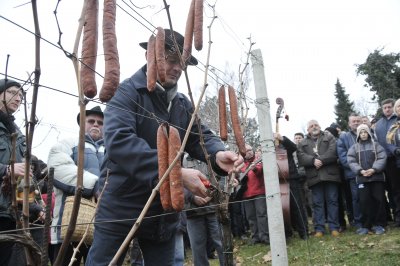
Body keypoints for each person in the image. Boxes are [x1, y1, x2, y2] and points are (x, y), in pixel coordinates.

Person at [85, 29, 243, 266]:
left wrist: (217, 153)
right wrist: (175, 173)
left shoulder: (181, 103)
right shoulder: (127, 93)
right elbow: (120, 142)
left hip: (164, 209)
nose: (178, 68)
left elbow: (199, 135)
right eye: (171, 60)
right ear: (152, 56)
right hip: (121, 204)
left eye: (183, 63)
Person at [48, 106, 105, 265]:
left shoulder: (111, 150)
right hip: (68, 225)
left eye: (100, 122)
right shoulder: (67, 143)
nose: (95, 125)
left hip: (102, 225)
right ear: (82, 124)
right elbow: (59, 169)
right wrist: (96, 185)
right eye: (91, 121)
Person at [0, 78, 32, 266]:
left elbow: (23, 174)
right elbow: (12, 169)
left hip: (11, 212)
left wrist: (31, 205)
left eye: (21, 95)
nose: (18, 98)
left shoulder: (18, 134)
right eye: (12, 92)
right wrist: (5, 169)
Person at [297, 120, 341, 237]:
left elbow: (333, 151)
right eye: (311, 126)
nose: (314, 127)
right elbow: (301, 156)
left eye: (316, 125)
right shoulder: (303, 142)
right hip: (314, 177)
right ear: (308, 130)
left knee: (332, 201)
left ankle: (334, 227)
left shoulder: (329, 137)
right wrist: (312, 161)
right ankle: (319, 229)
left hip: (330, 175)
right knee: (317, 203)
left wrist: (321, 160)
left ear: (320, 126)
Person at [183, 154, 224, 266]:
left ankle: (227, 263)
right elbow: (178, 182)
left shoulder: (210, 156)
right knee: (197, 245)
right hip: (192, 211)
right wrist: (192, 197)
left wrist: (210, 195)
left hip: (213, 208)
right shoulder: (182, 158)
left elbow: (221, 179)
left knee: (221, 242)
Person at [347, 124, 387, 235]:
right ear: (358, 134)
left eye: (365, 132)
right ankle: (366, 225)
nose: (363, 134)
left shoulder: (376, 145)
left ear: (368, 133)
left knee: (378, 200)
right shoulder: (354, 148)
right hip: (362, 179)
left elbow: (382, 158)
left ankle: (379, 225)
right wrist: (360, 171)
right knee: (364, 202)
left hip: (376, 177)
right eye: (361, 132)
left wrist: (374, 169)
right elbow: (351, 161)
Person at [274, 133, 308, 239]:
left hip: (292, 179)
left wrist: (282, 138)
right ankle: (287, 233)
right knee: (283, 208)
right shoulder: (269, 149)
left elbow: (293, 147)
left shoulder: (285, 145)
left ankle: (304, 232)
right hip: (278, 182)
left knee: (297, 206)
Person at [237, 144, 269, 245]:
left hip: (259, 192)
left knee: (262, 215)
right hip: (246, 194)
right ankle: (255, 237)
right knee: (250, 217)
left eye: (250, 150)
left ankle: (264, 236)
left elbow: (260, 172)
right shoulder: (240, 164)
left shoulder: (258, 160)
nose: (249, 152)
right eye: (246, 151)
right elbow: (237, 177)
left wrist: (254, 168)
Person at [337, 114, 363, 230]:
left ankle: (372, 221)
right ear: (349, 124)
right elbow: (343, 158)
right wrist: (358, 169)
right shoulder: (344, 138)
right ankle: (359, 223)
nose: (356, 123)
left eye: (358, 121)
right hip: (354, 174)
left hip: (370, 172)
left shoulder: (368, 134)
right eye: (353, 121)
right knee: (356, 198)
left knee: (369, 197)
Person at [374, 98, 398, 223]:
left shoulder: (397, 120)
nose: (387, 109)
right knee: (391, 189)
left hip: (397, 158)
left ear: (393, 107)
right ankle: (396, 216)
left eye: (389, 107)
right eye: (385, 107)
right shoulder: (378, 124)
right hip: (386, 161)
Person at [385, 98, 400, 227]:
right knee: (397, 191)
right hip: (396, 162)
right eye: (398, 106)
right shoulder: (393, 127)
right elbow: (388, 142)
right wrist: (396, 150)